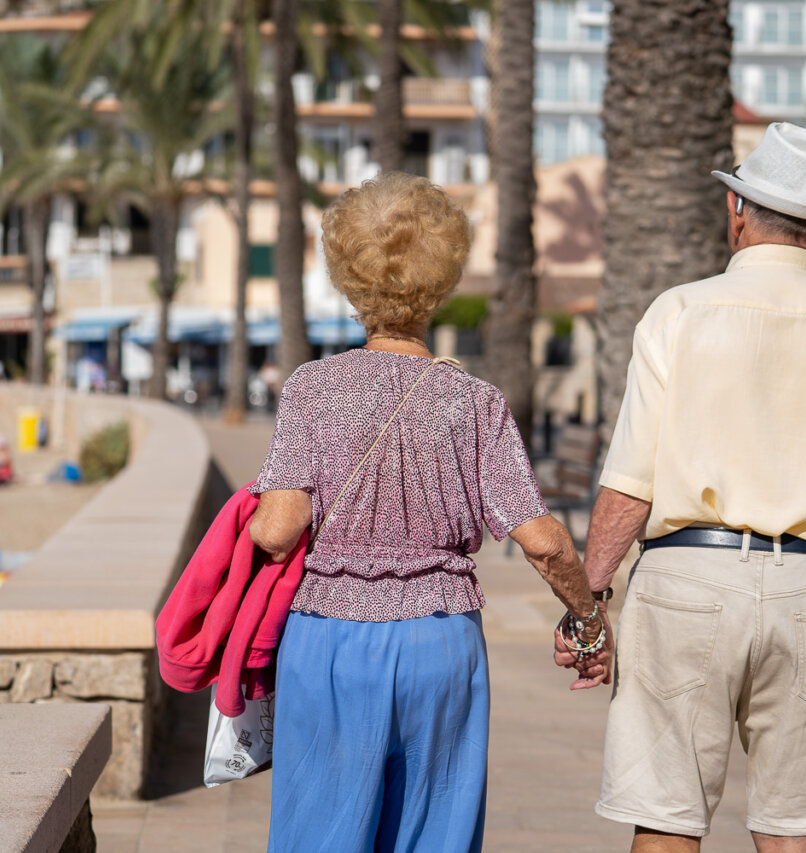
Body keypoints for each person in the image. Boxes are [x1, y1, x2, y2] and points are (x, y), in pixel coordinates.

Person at [556, 123, 806, 852]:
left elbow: (629, 489)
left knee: (667, 816)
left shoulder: (677, 314)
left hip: (686, 583)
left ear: (737, 211)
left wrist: (589, 609)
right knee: (793, 827)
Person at [247, 171, 602, 851]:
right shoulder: (473, 401)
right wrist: (589, 621)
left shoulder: (312, 388)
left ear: (349, 277)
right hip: (440, 645)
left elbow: (277, 527)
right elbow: (545, 541)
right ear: (440, 280)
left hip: (330, 640)